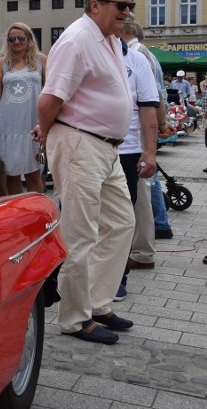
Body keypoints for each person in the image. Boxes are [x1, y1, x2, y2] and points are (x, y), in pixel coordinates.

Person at [32, 0, 148, 345]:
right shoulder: (78, 38)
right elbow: (50, 98)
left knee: (120, 223)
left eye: (130, 6)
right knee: (81, 233)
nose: (128, 13)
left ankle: (98, 303)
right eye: (121, 6)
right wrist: (46, 132)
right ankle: (75, 318)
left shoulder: (110, 39)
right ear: (96, 5)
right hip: (82, 143)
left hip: (105, 147)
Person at [115, 19, 160, 300]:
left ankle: (118, 277)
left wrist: (150, 151)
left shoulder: (137, 59)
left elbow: (149, 106)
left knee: (123, 218)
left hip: (128, 150)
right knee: (92, 219)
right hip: (91, 149)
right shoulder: (85, 53)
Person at [0, 22, 46, 194]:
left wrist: (48, 123)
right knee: (11, 174)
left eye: (21, 38)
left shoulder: (40, 60)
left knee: (34, 174)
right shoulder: (1, 63)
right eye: (12, 39)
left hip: (32, 126)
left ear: (29, 40)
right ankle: (18, 214)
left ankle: (38, 213)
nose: (16, 42)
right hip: (7, 126)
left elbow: (50, 92)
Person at [130, 20, 175, 239]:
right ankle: (160, 223)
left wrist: (161, 123)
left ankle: (160, 223)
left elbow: (153, 94)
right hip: (149, 117)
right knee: (149, 175)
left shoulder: (137, 53)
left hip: (143, 120)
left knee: (147, 176)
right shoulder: (146, 53)